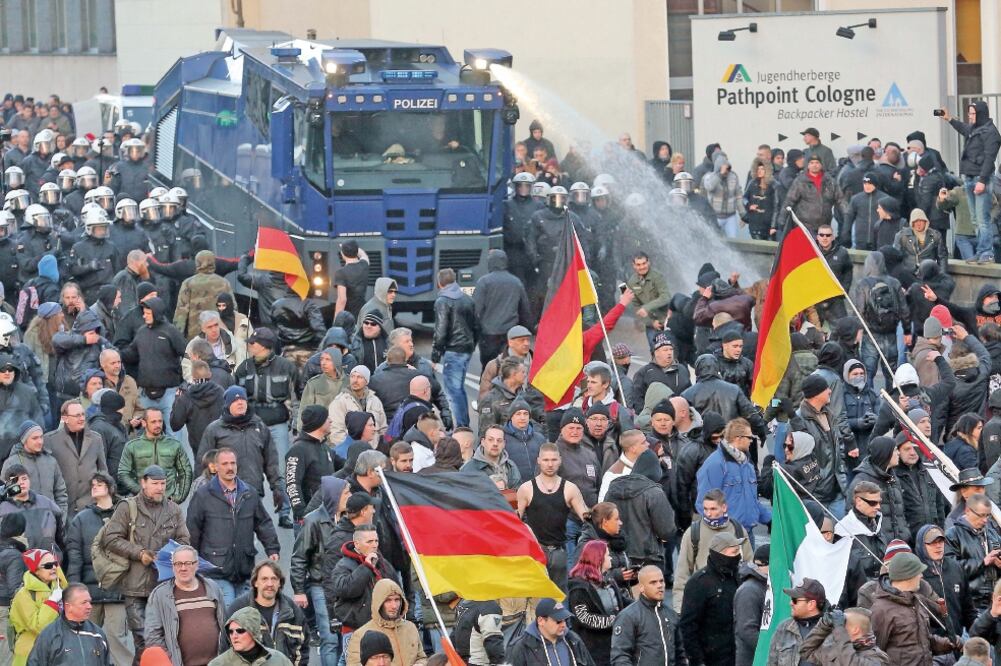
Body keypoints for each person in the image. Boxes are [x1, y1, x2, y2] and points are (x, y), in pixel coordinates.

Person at [100, 464, 190, 663]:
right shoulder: (127, 507)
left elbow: (184, 542)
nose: (160, 488)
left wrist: (169, 555)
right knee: (145, 642)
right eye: (155, 483)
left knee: (160, 644)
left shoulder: (174, 510)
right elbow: (111, 538)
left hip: (165, 588)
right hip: (135, 588)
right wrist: (139, 553)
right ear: (143, 483)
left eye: (163, 483)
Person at [186, 448, 280, 606]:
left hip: (244, 567)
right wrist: (191, 560)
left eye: (233, 463)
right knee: (230, 616)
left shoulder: (249, 493)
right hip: (216, 568)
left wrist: (272, 548)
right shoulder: (203, 495)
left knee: (244, 616)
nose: (230, 467)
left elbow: (263, 522)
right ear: (215, 467)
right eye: (225, 464)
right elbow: (192, 528)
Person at [64, 473, 130, 666]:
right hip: (88, 591)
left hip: (117, 589)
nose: (94, 487)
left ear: (110, 488)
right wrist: (73, 589)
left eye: (99, 484)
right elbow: (74, 556)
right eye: (92, 485)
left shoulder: (125, 514)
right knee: (85, 640)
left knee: (117, 641)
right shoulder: (81, 519)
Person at [198, 386, 284, 523]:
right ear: (227, 405)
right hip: (223, 494)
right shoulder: (214, 430)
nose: (240, 403)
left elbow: (271, 460)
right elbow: (203, 463)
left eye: (243, 400)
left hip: (253, 491)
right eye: (235, 400)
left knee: (248, 537)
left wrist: (277, 487)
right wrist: (202, 492)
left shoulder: (260, 426)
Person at [290, 477, 351, 666]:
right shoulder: (313, 521)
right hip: (320, 585)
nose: (350, 496)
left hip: (346, 583)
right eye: (346, 492)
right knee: (330, 637)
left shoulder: (350, 519)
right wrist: (299, 590)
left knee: (346, 635)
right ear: (335, 495)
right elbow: (299, 557)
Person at [516, 443, 589, 591]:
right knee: (536, 597)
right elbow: (514, 521)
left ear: (560, 460)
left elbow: (587, 518)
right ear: (538, 460)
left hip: (560, 551)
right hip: (535, 552)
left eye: (554, 460)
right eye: (546, 460)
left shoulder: (570, 488)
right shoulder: (526, 488)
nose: (550, 464)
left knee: (561, 597)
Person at [145, 544, 226, 666]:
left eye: (188, 563)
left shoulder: (213, 588)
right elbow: (153, 636)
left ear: (196, 565)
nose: (183, 568)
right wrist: (169, 661)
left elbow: (224, 625)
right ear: (173, 567)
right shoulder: (160, 595)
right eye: (178, 564)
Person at [672, 488, 751, 612]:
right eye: (705, 509)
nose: (708, 513)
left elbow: (749, 566)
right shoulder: (693, 532)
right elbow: (682, 572)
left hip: (732, 599)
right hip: (703, 598)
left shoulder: (738, 530)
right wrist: (680, 608)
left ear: (724, 507)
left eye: (713, 509)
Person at [870, 552, 958, 663]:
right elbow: (874, 653)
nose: (921, 576)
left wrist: (947, 644)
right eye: (918, 572)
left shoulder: (917, 600)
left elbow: (923, 640)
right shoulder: (881, 610)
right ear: (908, 575)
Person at [941, 101, 1001, 263]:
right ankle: (981, 251)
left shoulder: (991, 133)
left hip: (980, 179)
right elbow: (962, 128)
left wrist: (982, 180)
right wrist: (949, 119)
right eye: (969, 114)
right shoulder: (975, 129)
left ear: (981, 114)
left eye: (973, 114)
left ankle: (987, 253)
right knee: (975, 219)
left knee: (983, 218)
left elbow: (990, 158)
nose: (970, 117)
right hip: (969, 177)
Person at [325, 525, 398, 651]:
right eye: (369, 541)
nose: (374, 545)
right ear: (357, 544)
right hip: (355, 630)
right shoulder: (343, 565)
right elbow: (347, 590)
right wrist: (367, 567)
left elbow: (397, 590)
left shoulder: (383, 564)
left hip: (383, 627)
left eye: (376, 541)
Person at [696, 417, 770, 536]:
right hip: (726, 536)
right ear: (738, 438)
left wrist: (768, 519)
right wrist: (720, 531)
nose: (752, 440)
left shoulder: (747, 464)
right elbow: (703, 503)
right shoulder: (715, 463)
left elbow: (752, 501)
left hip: (747, 534)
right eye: (750, 437)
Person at [605, 448, 676, 571]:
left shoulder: (612, 489)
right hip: (648, 557)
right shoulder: (654, 493)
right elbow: (667, 530)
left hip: (617, 555)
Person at [225, 561, 308, 666]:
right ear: (255, 582)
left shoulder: (293, 612)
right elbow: (225, 649)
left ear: (279, 583)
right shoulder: (237, 609)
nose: (270, 584)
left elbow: (302, 650)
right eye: (264, 579)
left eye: (274, 579)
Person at [44, 400, 107, 520]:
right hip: (63, 506)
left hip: (90, 505)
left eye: (83, 414)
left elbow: (103, 471)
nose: (82, 418)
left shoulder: (96, 439)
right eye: (77, 415)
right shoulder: (50, 440)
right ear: (65, 418)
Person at [609, 565, 684, 665]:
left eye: (661, 581)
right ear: (641, 588)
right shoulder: (628, 616)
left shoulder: (671, 615)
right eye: (653, 582)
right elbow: (620, 656)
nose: (659, 585)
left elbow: (680, 654)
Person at [26, 582, 113, 666]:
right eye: (84, 602)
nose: (89, 606)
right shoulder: (50, 635)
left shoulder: (97, 634)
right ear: (68, 606)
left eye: (89, 602)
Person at [344, 578, 425, 666]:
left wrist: (419, 664)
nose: (394, 606)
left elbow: (421, 658)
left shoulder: (410, 628)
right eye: (388, 600)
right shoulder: (360, 635)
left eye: (397, 599)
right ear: (378, 602)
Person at [118, 407, 191, 503]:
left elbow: (186, 472)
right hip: (141, 502)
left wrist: (178, 498)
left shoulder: (174, 445)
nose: (158, 425)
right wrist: (140, 492)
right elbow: (123, 473)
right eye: (153, 422)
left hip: (168, 501)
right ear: (144, 423)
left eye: (160, 421)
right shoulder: (132, 446)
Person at [473, 250, 531, 367]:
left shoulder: (484, 282)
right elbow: (525, 309)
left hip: (489, 334)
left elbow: (476, 310)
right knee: (510, 368)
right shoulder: (516, 282)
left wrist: (475, 330)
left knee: (489, 368)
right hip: (510, 333)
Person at [946, 492, 1001, 615]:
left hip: (995, 603)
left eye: (988, 516)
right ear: (967, 511)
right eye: (981, 515)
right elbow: (950, 570)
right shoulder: (953, 535)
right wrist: (982, 562)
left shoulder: (991, 534)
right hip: (971, 606)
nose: (985, 520)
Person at [10, 548, 67, 666]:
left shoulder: (58, 587)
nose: (54, 568)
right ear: (35, 570)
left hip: (56, 651)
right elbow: (39, 626)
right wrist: (52, 602)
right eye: (48, 566)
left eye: (55, 564)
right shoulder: (23, 595)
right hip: (30, 653)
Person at [566, 540, 621, 664]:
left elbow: (621, 601)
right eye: (607, 555)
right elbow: (585, 618)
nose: (610, 558)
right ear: (599, 559)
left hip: (613, 644)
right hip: (593, 650)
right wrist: (615, 620)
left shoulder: (608, 579)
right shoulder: (579, 587)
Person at [2, 420, 68, 516]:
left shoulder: (51, 461)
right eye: (35, 438)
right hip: (23, 525)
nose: (40, 441)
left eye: (41, 437)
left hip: (50, 523)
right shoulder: (11, 463)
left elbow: (61, 494)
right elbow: (6, 496)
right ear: (24, 440)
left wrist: (60, 520)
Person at [507, 597, 595, 666]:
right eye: (558, 621)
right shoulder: (521, 647)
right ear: (541, 621)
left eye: (565, 620)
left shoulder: (573, 640)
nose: (563, 625)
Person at [285, 406, 335, 523]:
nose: (331, 421)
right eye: (327, 418)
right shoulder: (298, 450)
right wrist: (301, 513)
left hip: (327, 514)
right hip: (308, 519)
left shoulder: (325, 447)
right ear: (319, 422)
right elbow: (292, 484)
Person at [0, 465, 62, 554]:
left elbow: (61, 537)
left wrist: (59, 556)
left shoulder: (47, 503)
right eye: (15, 480)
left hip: (49, 563)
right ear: (7, 484)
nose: (21, 483)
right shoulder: (3, 508)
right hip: (18, 563)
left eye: (24, 478)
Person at [799, 607, 891, 665]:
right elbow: (806, 651)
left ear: (855, 630)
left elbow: (850, 662)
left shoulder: (878, 658)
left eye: (843, 623)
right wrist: (824, 625)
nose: (837, 627)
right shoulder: (836, 650)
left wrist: (839, 628)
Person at [766, 577, 826, 663]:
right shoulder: (783, 629)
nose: (790, 603)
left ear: (811, 604)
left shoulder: (830, 631)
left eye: (795, 600)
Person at [210, 606, 293, 666]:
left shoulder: (279, 659)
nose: (234, 636)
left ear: (253, 632)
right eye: (231, 631)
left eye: (240, 631)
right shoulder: (218, 664)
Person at [625, 253, 670, 351]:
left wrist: (646, 307)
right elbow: (636, 307)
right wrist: (651, 322)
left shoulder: (657, 277)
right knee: (654, 350)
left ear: (648, 262)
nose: (642, 267)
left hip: (666, 320)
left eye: (644, 263)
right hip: (651, 323)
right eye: (638, 264)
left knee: (669, 351)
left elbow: (666, 297)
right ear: (634, 266)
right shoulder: (632, 282)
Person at [733, 544, 770, 665]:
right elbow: (747, 631)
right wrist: (771, 649)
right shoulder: (749, 590)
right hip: (752, 659)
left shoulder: (766, 585)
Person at [462, 425, 521, 490]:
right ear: (483, 442)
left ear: (504, 444)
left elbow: (518, 492)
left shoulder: (511, 466)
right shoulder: (469, 469)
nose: (495, 444)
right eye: (490, 440)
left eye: (499, 440)